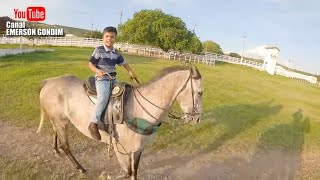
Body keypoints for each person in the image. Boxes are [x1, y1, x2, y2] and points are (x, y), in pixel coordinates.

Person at [88, 26, 136, 140]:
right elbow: (90, 64)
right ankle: (93, 123)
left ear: (115, 38)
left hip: (113, 78)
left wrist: (130, 72)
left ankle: (119, 116)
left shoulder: (116, 53)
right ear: (103, 37)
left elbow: (124, 63)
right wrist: (97, 71)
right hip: (102, 79)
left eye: (112, 37)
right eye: (107, 36)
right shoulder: (99, 50)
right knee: (103, 97)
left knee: (127, 91)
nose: (109, 39)